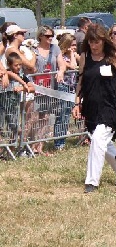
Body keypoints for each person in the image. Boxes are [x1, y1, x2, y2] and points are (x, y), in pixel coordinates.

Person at [72, 24, 116, 193]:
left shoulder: (114, 56)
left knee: (98, 139)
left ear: (103, 41)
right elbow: (81, 81)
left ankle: (91, 182)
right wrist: (77, 103)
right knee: (104, 144)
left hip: (112, 106)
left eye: (97, 42)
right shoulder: (85, 56)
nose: (94, 46)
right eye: (91, 42)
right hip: (91, 106)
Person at [32, 25, 66, 156]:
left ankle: (39, 146)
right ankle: (31, 145)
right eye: (47, 36)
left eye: (52, 35)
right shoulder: (34, 49)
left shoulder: (55, 48)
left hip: (50, 88)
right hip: (36, 87)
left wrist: (61, 71)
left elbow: (61, 63)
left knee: (46, 117)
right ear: (40, 36)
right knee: (34, 117)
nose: (50, 38)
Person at [53, 33, 79, 150]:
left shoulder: (72, 55)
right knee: (62, 116)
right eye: (72, 45)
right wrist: (72, 53)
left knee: (67, 115)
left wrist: (73, 53)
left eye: (75, 45)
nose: (74, 47)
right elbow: (73, 66)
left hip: (72, 87)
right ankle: (59, 142)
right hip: (63, 87)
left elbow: (83, 61)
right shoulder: (61, 57)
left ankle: (62, 139)